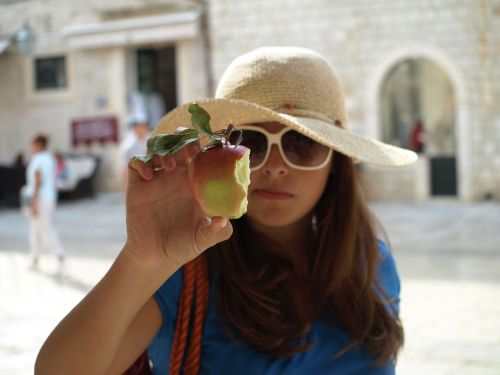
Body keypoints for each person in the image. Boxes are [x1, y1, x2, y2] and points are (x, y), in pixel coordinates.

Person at [35, 47, 417, 374]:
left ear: (335, 162)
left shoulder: (373, 262)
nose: (275, 166)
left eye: (303, 144)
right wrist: (141, 259)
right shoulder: (184, 272)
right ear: (221, 153)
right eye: (249, 142)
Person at [23, 134, 65, 273]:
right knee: (35, 229)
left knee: (45, 228)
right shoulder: (49, 158)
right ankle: (34, 258)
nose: (31, 147)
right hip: (46, 197)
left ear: (39, 144)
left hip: (39, 198)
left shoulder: (39, 159)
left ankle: (60, 256)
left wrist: (34, 202)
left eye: (33, 144)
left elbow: (38, 180)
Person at [120, 118, 150, 190]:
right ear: (135, 128)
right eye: (142, 126)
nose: (144, 128)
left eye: (145, 126)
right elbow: (125, 170)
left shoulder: (150, 139)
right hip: (137, 180)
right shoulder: (128, 146)